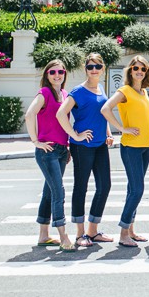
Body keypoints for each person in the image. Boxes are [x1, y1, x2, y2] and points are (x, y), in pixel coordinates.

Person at [24, 59, 90, 252]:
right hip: (47, 151)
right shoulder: (44, 93)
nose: (57, 75)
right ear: (47, 75)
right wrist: (35, 141)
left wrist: (68, 145)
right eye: (52, 72)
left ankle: (44, 235)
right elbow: (29, 115)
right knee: (58, 192)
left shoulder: (64, 94)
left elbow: (63, 123)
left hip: (61, 150)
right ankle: (63, 236)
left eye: (60, 72)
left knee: (49, 192)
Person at [56, 53, 114, 247]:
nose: (94, 70)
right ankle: (80, 234)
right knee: (81, 187)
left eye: (97, 66)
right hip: (82, 146)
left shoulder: (100, 89)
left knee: (104, 186)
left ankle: (93, 230)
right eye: (90, 67)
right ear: (85, 69)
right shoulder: (78, 91)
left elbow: (101, 115)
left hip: (100, 144)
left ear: (103, 68)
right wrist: (75, 134)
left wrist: (108, 133)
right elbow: (61, 113)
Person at [101, 55, 149, 248]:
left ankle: (131, 230)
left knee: (133, 189)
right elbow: (105, 109)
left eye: (143, 69)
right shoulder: (125, 91)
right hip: (131, 146)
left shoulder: (144, 93)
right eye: (136, 68)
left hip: (146, 146)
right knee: (138, 189)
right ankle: (123, 232)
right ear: (130, 71)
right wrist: (121, 129)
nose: (139, 71)